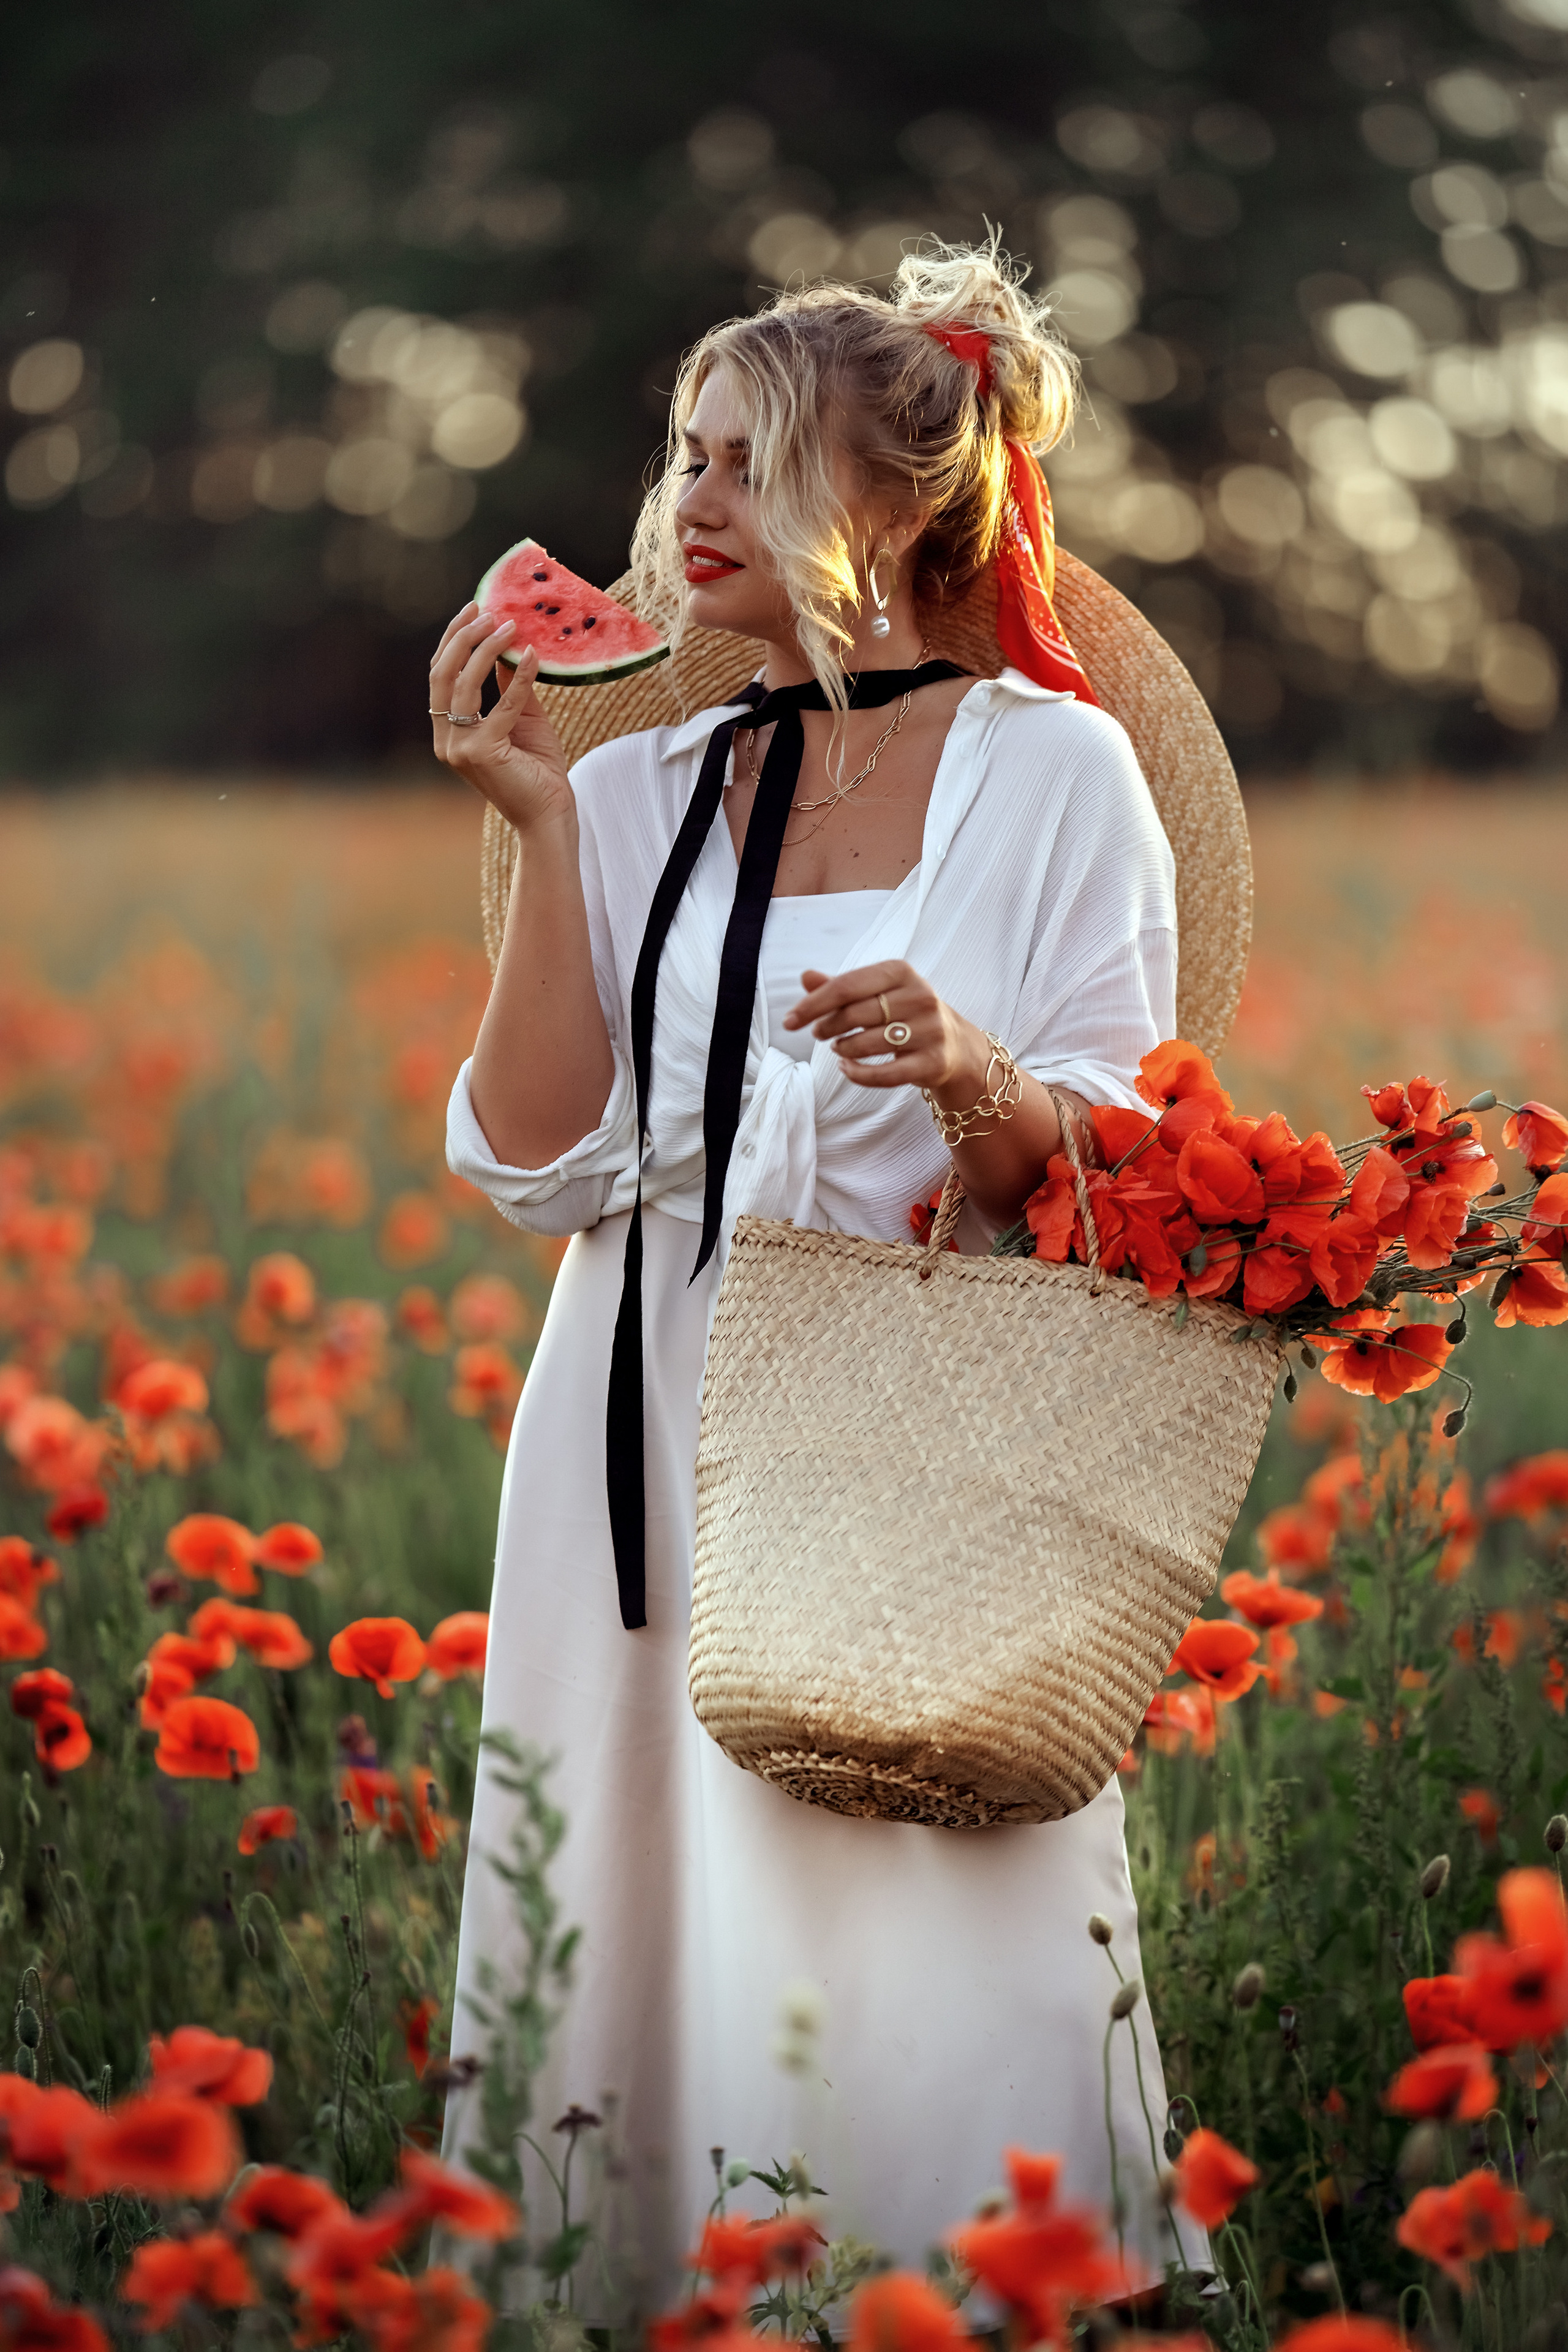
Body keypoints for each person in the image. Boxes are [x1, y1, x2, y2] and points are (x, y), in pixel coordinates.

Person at [432, 238, 1191, 2316]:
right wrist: (531, 826)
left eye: (751, 467)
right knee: (644, 1903)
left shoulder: (1055, 769)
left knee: (926, 1896)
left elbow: (1126, 1159)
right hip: (640, 1408)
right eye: (685, 459)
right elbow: (532, 1162)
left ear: (899, 505)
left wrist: (970, 1074)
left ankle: (971, 2291)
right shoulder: (636, 782)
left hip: (906, 1410)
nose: (687, 511)